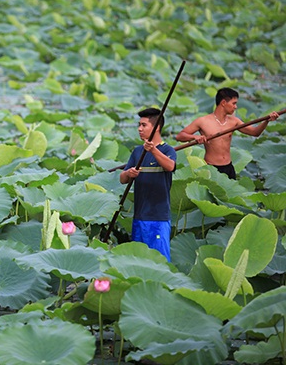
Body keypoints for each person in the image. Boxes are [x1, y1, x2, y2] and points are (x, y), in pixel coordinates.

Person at [176, 87, 280, 179]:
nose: (236, 107)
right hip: (211, 167)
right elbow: (180, 136)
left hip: (229, 167)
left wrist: (267, 121)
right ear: (223, 103)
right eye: (234, 103)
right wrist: (195, 137)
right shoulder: (203, 121)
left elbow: (255, 132)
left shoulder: (234, 121)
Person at [120, 108, 176, 262]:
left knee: (160, 262)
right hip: (139, 216)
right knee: (138, 261)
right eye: (139, 125)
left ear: (156, 127)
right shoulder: (137, 152)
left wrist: (153, 150)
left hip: (158, 218)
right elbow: (122, 178)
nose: (139, 129)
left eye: (143, 125)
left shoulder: (167, 150)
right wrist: (128, 174)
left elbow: (170, 166)